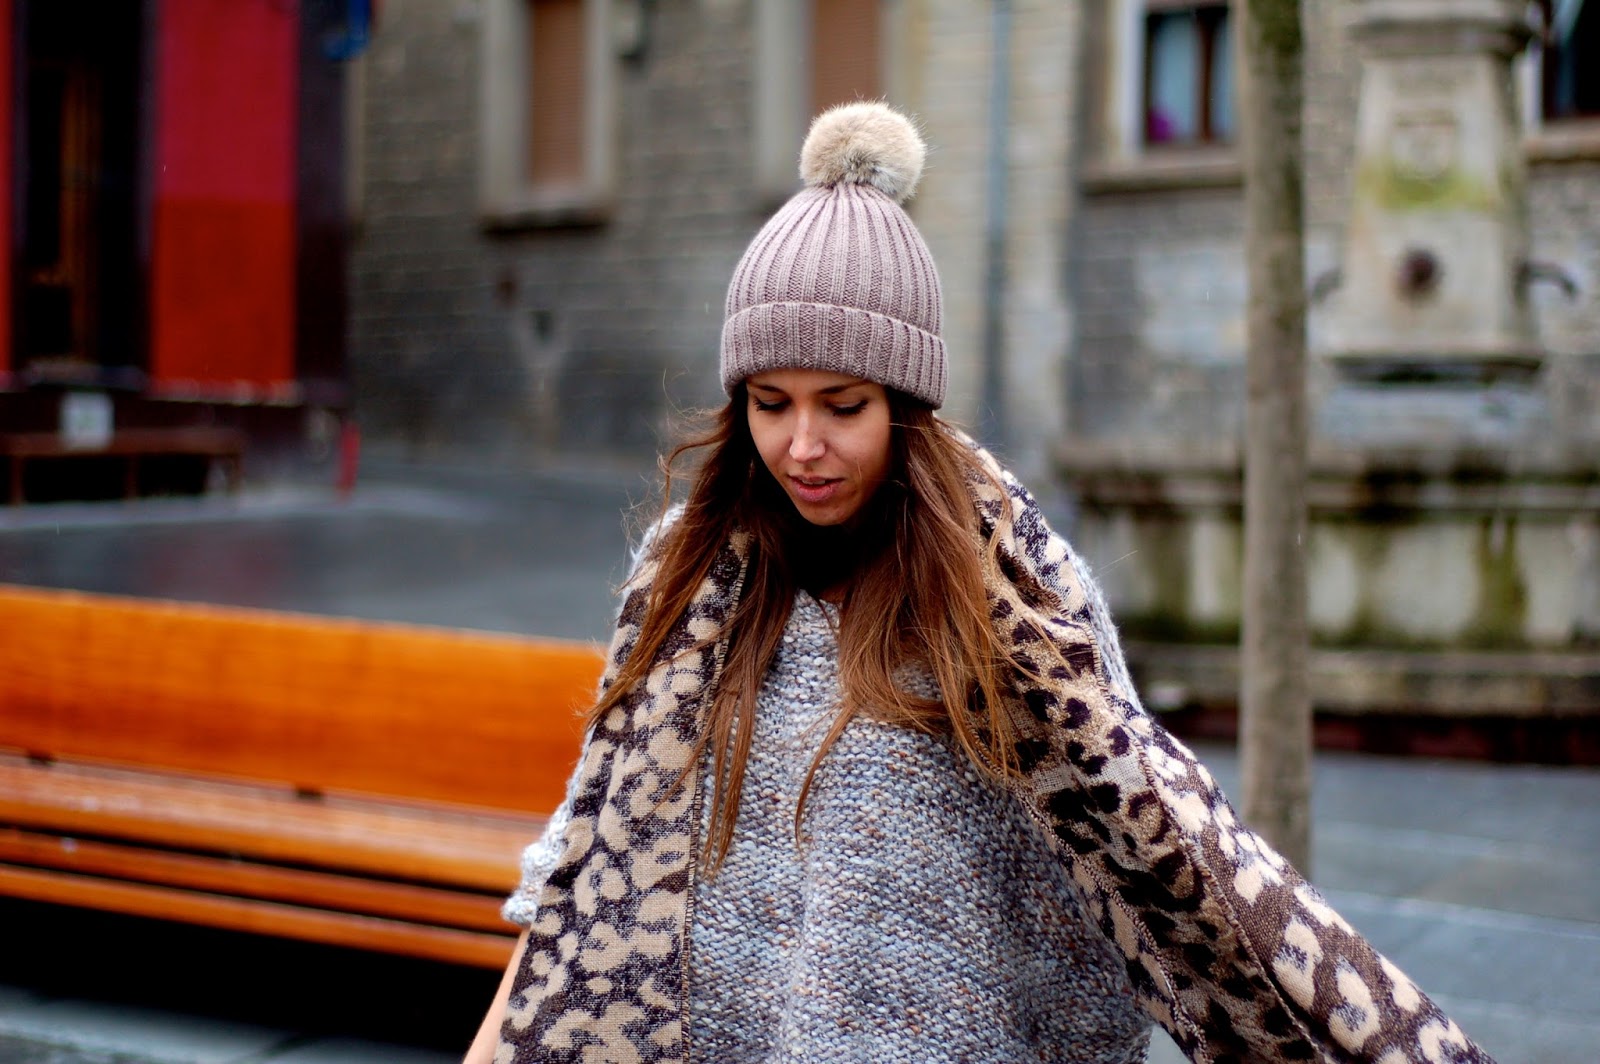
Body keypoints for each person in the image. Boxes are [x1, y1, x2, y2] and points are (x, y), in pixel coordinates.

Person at [465, 102, 1494, 1064]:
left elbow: (1155, 841)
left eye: (843, 404)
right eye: (770, 403)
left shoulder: (1012, 594)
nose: (802, 444)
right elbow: (590, 851)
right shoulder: (689, 576)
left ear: (904, 402)